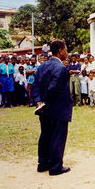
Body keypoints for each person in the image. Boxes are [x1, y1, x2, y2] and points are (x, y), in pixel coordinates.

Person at [32, 40, 72, 176]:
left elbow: (35, 85)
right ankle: (55, 167)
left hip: (43, 109)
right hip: (58, 108)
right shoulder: (61, 68)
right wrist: (45, 102)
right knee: (57, 137)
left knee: (45, 135)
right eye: (66, 49)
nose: (67, 52)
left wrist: (39, 102)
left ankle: (43, 164)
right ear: (60, 50)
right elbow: (53, 88)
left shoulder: (42, 66)